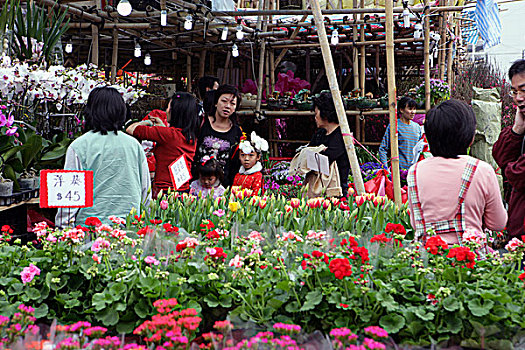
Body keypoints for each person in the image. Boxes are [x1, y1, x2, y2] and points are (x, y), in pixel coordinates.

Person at [407, 99, 507, 245]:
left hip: (427, 260)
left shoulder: (415, 171)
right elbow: (498, 223)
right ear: (470, 137)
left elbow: (415, 224)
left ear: (429, 136)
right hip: (472, 263)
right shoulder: (482, 170)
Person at [55, 87, 151, 228]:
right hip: (129, 230)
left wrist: (63, 228)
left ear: (90, 111)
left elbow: (70, 197)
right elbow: (145, 191)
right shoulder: (134, 145)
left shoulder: (79, 146)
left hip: (89, 231)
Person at [126, 92, 200, 196]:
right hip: (183, 190)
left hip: (165, 191)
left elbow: (131, 129)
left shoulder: (167, 134)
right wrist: (162, 127)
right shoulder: (190, 136)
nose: (166, 111)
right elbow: (172, 142)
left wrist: (148, 123)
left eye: (168, 107)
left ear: (175, 111)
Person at [493, 59, 525, 239]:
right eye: (514, 92)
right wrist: (517, 130)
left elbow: (518, 175)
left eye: (523, 90)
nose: (519, 98)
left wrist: (510, 170)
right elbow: (499, 155)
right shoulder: (522, 123)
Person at [194, 84, 243, 187]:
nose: (227, 106)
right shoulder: (201, 123)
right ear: (216, 102)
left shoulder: (237, 132)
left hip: (222, 188)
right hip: (197, 185)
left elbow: (235, 163)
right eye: (224, 101)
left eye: (232, 103)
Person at [308, 91, 350, 197]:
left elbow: (324, 161)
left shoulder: (342, 136)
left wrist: (316, 153)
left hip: (336, 193)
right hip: (318, 192)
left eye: (316, 113)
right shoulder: (320, 134)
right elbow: (309, 157)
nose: (315, 117)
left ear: (325, 114)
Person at [379, 96, 422, 171]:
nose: (413, 112)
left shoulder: (417, 127)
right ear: (401, 110)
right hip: (398, 172)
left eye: (414, 109)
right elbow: (383, 148)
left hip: (414, 171)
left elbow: (421, 150)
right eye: (410, 109)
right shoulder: (394, 126)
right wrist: (386, 169)